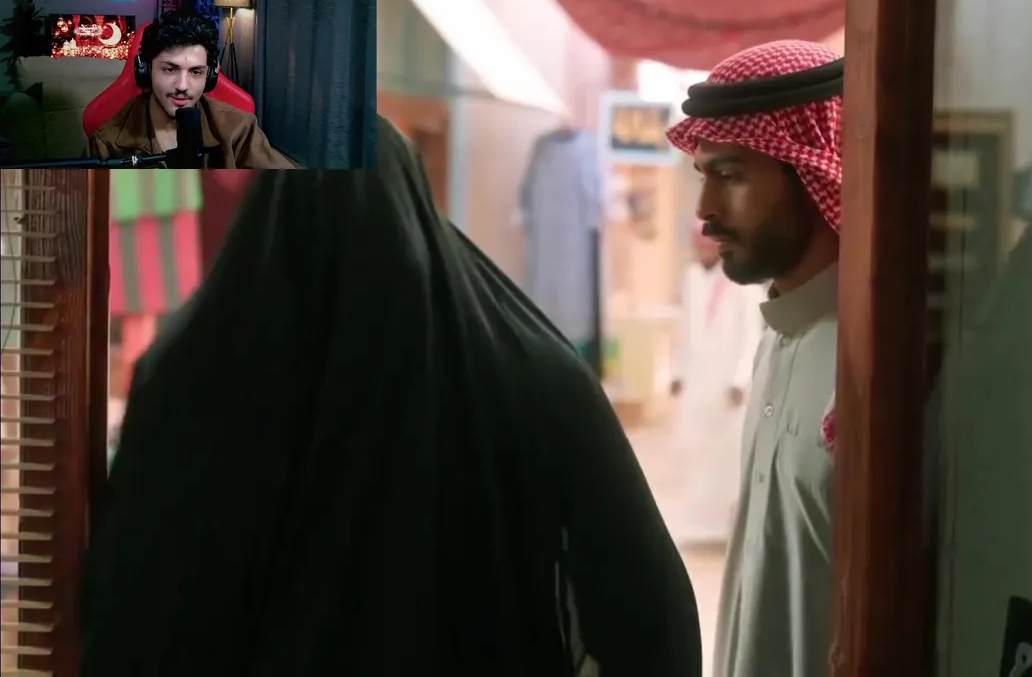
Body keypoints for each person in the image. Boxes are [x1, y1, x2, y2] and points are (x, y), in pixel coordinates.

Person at [78, 118, 702, 676]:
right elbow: (648, 602)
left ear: (269, 215)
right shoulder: (535, 374)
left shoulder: (195, 377)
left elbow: (133, 600)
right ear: (417, 210)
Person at [665, 39, 843, 677]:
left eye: (732, 175)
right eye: (703, 176)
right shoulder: (777, 335)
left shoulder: (868, 358)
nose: (705, 211)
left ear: (814, 173)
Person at [86, 12, 294, 169]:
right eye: (170, 69)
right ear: (146, 70)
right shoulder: (107, 143)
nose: (182, 86)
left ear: (210, 76)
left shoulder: (239, 129)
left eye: (196, 72)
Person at [670, 221, 765, 545]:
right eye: (700, 244)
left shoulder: (744, 283)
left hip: (729, 389)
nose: (704, 250)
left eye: (709, 244)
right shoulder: (692, 278)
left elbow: (751, 336)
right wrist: (678, 372)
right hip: (699, 384)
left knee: (728, 460)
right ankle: (700, 524)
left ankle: (727, 528)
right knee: (696, 454)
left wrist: (740, 378)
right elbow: (686, 330)